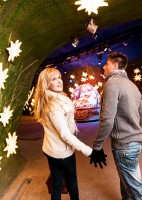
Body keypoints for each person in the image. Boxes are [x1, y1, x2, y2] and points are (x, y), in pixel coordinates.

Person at [33, 68, 106, 200]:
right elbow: (65, 134)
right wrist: (90, 152)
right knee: (70, 181)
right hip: (62, 153)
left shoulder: (56, 99)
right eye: (53, 79)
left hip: (50, 149)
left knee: (57, 182)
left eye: (59, 77)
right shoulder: (53, 105)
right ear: (46, 83)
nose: (59, 81)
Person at [91, 52, 142, 200]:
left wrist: (97, 146)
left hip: (124, 145)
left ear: (115, 66)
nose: (104, 67)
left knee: (136, 187)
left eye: (107, 64)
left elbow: (107, 119)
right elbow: (141, 116)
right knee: (127, 181)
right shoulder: (132, 86)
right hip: (136, 141)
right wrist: (133, 130)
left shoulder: (111, 84)